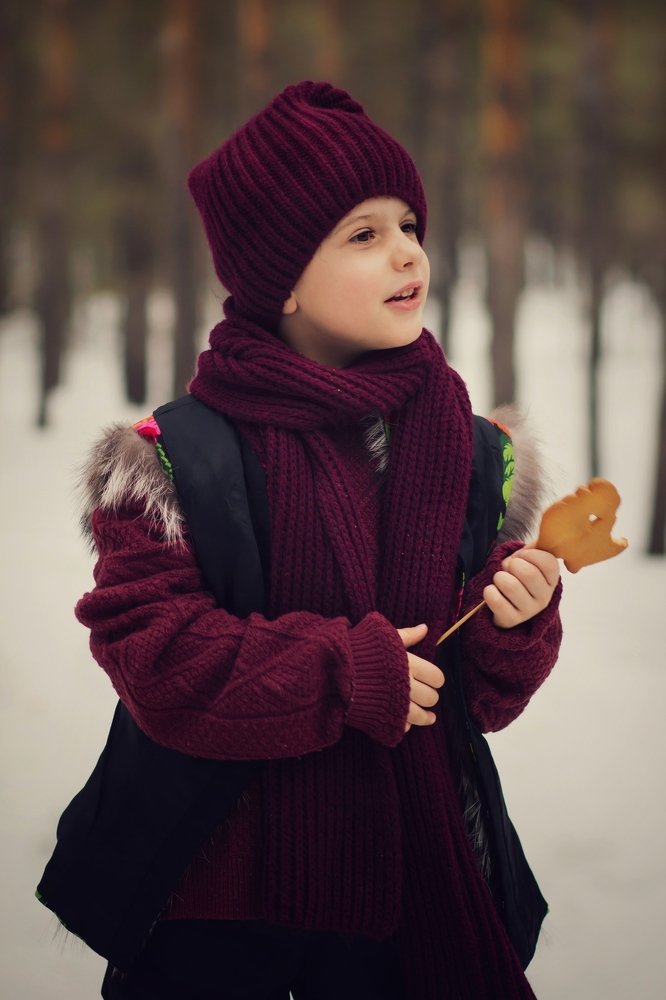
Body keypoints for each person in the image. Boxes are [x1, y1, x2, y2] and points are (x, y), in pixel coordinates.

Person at [39, 82, 562, 999]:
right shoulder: (172, 464)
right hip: (218, 911)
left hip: (414, 899)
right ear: (278, 275)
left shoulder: (475, 454)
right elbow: (158, 659)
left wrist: (512, 627)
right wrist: (344, 674)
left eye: (410, 225)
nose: (407, 253)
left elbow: (473, 701)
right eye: (363, 234)